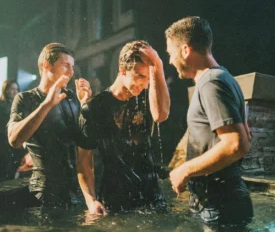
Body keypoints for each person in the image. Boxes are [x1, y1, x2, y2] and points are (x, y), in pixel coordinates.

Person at [166, 16, 253, 226]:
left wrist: (184, 169)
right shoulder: (222, 78)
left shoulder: (211, 83)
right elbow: (246, 135)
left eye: (170, 53)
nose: (170, 60)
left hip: (220, 205)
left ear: (185, 50)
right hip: (218, 202)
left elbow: (237, 144)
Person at [77, 40, 170, 214]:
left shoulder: (146, 97)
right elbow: (84, 162)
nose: (145, 84)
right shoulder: (95, 108)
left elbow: (161, 114)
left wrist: (158, 64)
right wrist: (91, 201)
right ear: (122, 70)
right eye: (140, 76)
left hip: (153, 197)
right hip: (115, 201)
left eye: (149, 78)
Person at [7, 43, 92, 206]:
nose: (71, 71)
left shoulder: (71, 97)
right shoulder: (25, 99)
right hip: (44, 192)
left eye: (72, 66)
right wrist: (46, 104)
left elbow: (83, 141)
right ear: (47, 65)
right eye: (66, 65)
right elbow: (14, 140)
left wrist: (85, 106)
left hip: (76, 190)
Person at [0, 79, 25, 181]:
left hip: (14, 140)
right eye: (12, 89)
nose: (15, 91)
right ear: (6, 90)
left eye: (16, 89)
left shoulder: (19, 106)